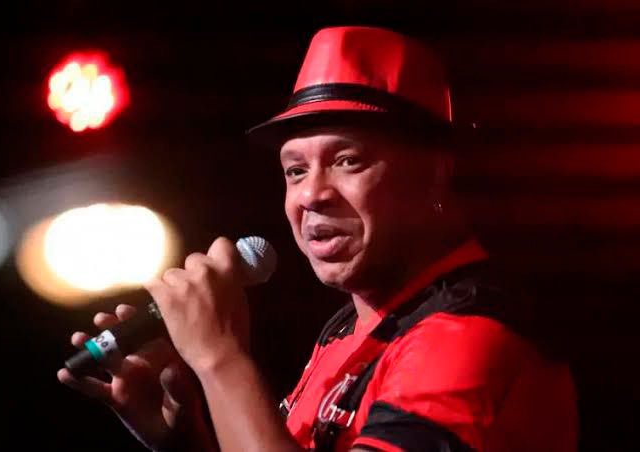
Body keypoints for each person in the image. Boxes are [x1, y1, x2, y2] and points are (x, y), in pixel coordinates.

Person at [58, 26, 578, 451]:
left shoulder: (469, 335)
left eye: (347, 160)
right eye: (295, 170)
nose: (311, 195)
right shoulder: (349, 329)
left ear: (435, 174)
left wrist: (220, 359)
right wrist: (185, 438)